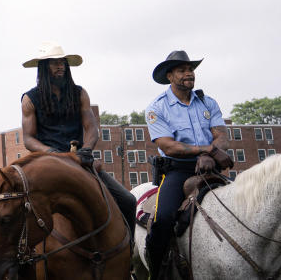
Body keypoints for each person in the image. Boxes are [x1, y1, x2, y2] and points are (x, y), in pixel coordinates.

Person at [19, 42, 136, 240]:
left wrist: (87, 150)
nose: (61, 67)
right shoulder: (30, 99)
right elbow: (29, 139)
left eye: (63, 62)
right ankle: (19, 261)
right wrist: (52, 153)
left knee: (128, 201)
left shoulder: (80, 93)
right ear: (44, 67)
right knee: (18, 208)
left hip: (80, 161)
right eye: (55, 63)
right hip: (47, 162)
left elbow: (92, 128)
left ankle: (128, 253)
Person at [144, 50, 232, 278]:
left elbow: (221, 134)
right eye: (182, 70)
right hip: (177, 171)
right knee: (163, 220)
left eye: (191, 69)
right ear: (170, 75)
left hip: (211, 167)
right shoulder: (157, 108)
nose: (189, 73)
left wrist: (211, 155)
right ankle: (157, 272)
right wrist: (208, 149)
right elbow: (169, 146)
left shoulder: (207, 102)